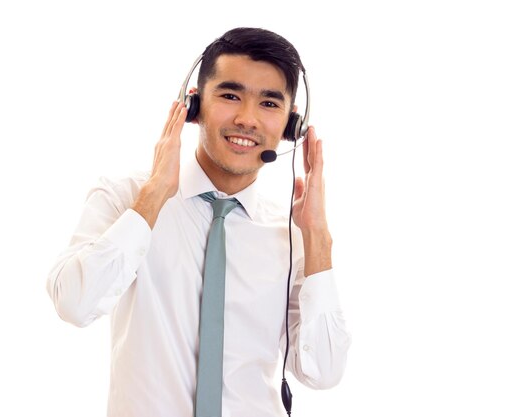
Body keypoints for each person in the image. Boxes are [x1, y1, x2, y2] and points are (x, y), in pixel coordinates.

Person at [46, 27, 351, 417]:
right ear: (192, 105)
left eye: (269, 104)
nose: (247, 119)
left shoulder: (292, 237)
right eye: (229, 95)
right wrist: (154, 196)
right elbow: (73, 303)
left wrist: (317, 239)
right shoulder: (125, 198)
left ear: (292, 125)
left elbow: (323, 372)